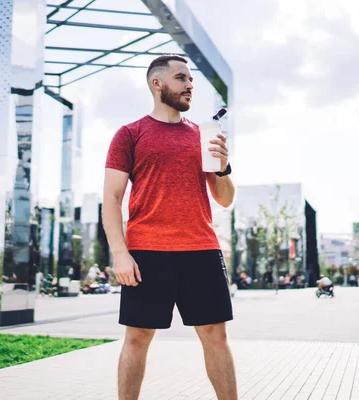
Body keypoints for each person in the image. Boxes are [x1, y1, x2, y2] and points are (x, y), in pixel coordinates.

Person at [103, 55, 237, 400]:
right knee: (137, 338)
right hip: (147, 252)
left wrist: (223, 167)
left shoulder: (202, 136)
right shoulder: (129, 134)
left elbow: (224, 199)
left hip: (200, 249)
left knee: (215, 336)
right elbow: (112, 199)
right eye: (181, 78)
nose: (190, 85)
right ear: (157, 83)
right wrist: (120, 253)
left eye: (191, 80)